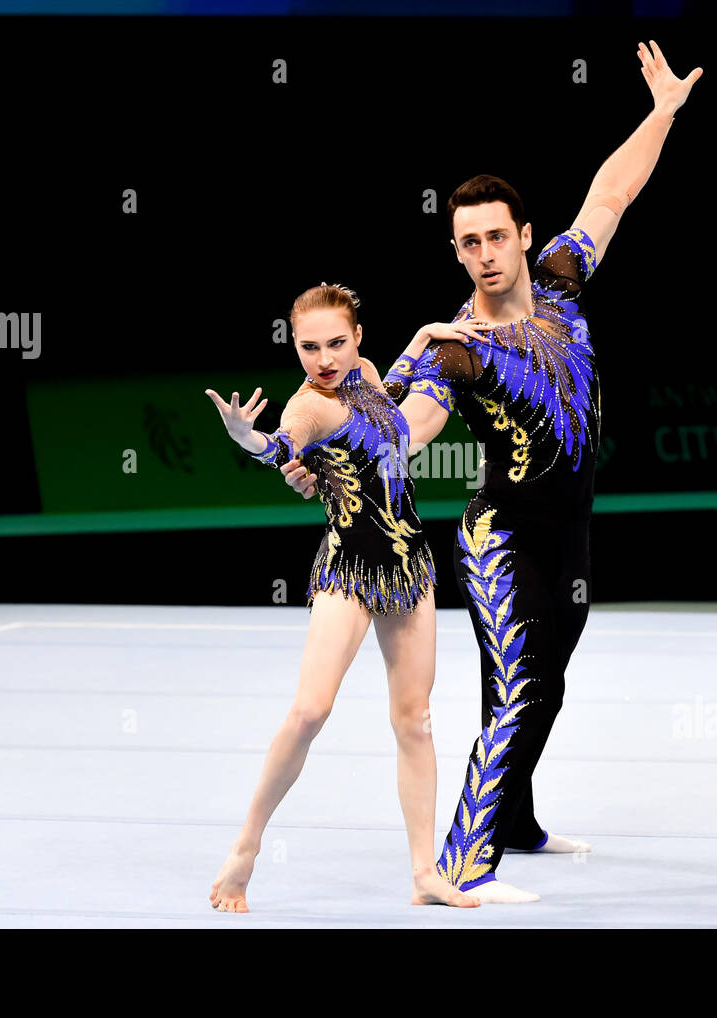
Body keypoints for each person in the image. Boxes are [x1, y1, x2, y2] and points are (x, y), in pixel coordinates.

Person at [280, 41, 703, 902]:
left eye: (494, 236)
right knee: (523, 684)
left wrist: (661, 112)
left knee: (546, 683)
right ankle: (464, 863)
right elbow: (402, 426)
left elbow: (613, 191)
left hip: (572, 531)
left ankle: (515, 817)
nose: (482, 252)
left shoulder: (564, 283)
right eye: (466, 241)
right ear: (456, 249)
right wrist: (320, 453)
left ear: (525, 237)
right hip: (500, 535)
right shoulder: (452, 349)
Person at [204, 280, 489, 912]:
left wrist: (419, 340)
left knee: (413, 719)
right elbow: (283, 444)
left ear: (357, 337)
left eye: (336, 342)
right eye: (309, 347)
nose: (324, 359)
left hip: (410, 562)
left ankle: (423, 874)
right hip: (352, 567)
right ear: (294, 348)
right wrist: (249, 441)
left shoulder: (361, 372)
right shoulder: (308, 405)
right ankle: (244, 852)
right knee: (310, 711)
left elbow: (385, 404)